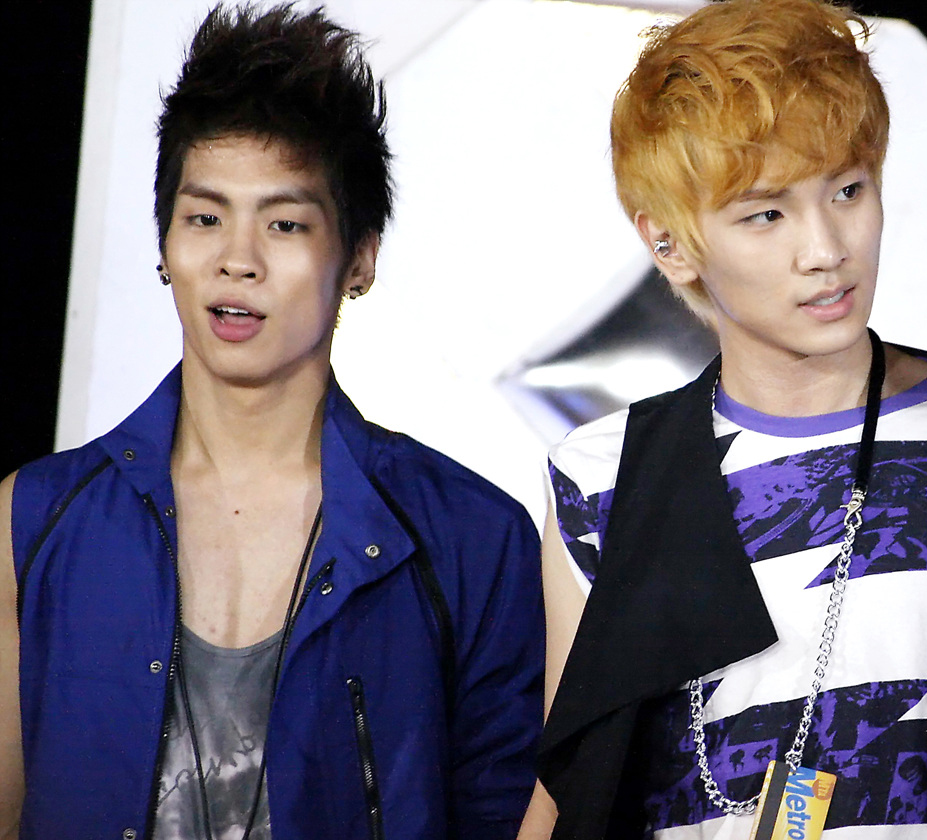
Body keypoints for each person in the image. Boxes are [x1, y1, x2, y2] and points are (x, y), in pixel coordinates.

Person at [521, 0, 927, 837]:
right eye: (766, 213)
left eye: (848, 190)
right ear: (670, 244)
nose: (826, 249)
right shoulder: (605, 475)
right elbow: (571, 788)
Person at [0, 5, 543, 839]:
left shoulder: (473, 539)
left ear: (359, 257)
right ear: (164, 243)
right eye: (205, 217)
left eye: (284, 224)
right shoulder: (35, 518)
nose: (238, 259)